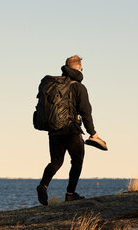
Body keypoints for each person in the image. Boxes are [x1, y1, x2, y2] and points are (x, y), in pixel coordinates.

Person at [36, 55, 102, 205]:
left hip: (54, 130)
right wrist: (92, 133)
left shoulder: (55, 85)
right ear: (78, 68)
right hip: (71, 130)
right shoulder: (78, 87)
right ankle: (70, 194)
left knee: (56, 161)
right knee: (77, 161)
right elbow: (86, 112)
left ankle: (43, 185)